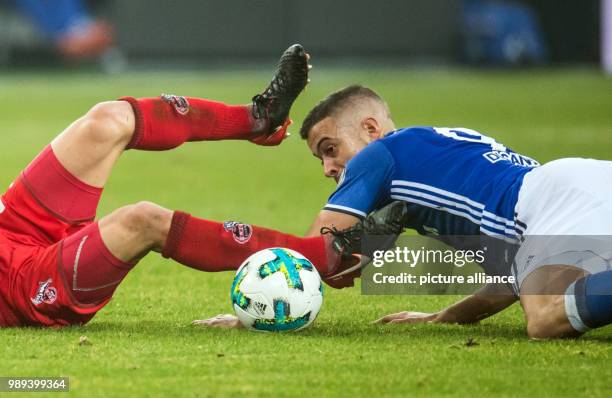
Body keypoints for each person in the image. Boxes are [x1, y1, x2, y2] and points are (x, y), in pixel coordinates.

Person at [0, 45, 397, 328]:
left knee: (106, 120)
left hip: (14, 227)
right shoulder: (403, 163)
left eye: (331, 152)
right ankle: (322, 253)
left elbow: (453, 259)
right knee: (141, 219)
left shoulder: (397, 165)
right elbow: (451, 261)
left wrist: (441, 309)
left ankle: (257, 118)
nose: (330, 167)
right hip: (24, 285)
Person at [202, 84, 612, 339]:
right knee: (550, 303)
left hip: (564, 199)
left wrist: (253, 314)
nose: (328, 168)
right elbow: (514, 278)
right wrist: (444, 318)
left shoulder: (382, 154)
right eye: (320, 161)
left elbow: (314, 251)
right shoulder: (433, 157)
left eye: (330, 150)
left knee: (545, 319)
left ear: (369, 129)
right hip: (581, 189)